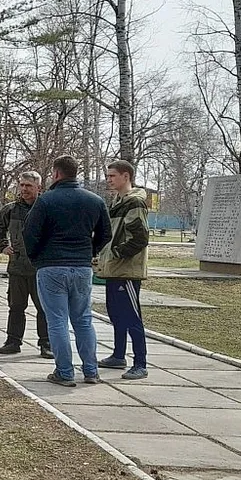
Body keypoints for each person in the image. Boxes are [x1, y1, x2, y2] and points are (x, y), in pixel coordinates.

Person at [23, 155, 112, 387]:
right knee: (83, 320)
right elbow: (105, 234)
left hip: (52, 266)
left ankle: (64, 371)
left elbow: (30, 234)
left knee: (57, 321)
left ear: (55, 174)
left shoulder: (45, 201)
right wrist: (89, 251)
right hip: (82, 267)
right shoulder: (95, 201)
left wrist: (38, 258)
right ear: (75, 173)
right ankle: (91, 371)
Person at [94, 160, 150, 380]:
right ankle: (118, 355)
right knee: (116, 314)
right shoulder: (117, 201)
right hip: (113, 269)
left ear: (126, 176)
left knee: (131, 317)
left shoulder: (134, 203)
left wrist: (116, 253)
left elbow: (139, 238)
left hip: (126, 270)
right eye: (108, 176)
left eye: (113, 176)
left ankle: (140, 363)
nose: (109, 179)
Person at [0, 171, 53, 358]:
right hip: (17, 267)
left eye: (29, 186)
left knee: (44, 308)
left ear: (38, 188)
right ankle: (13, 341)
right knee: (16, 307)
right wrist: (3, 246)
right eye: (22, 185)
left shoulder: (47, 208)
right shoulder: (11, 209)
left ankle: (46, 343)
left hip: (40, 268)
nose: (25, 189)